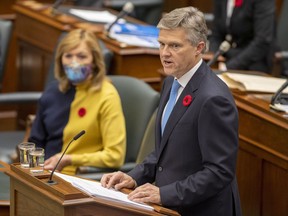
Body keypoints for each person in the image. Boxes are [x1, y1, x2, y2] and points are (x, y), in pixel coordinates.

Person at [101, 6, 242, 216]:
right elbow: (164, 151)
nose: (165, 53)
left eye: (175, 46)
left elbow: (218, 172)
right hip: (171, 208)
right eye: (162, 44)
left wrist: (164, 194)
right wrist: (135, 176)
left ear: (198, 47)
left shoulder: (213, 99)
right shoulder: (171, 82)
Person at [28, 29, 126, 175]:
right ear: (60, 60)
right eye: (68, 56)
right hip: (42, 173)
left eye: (81, 56)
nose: (74, 63)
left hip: (75, 176)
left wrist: (69, 159)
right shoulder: (52, 91)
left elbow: (115, 156)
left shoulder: (107, 95)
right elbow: (36, 141)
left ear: (94, 61)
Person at [209, 0, 275, 73]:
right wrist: (216, 58)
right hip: (225, 59)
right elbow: (215, 34)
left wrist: (228, 67)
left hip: (253, 64)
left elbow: (262, 40)